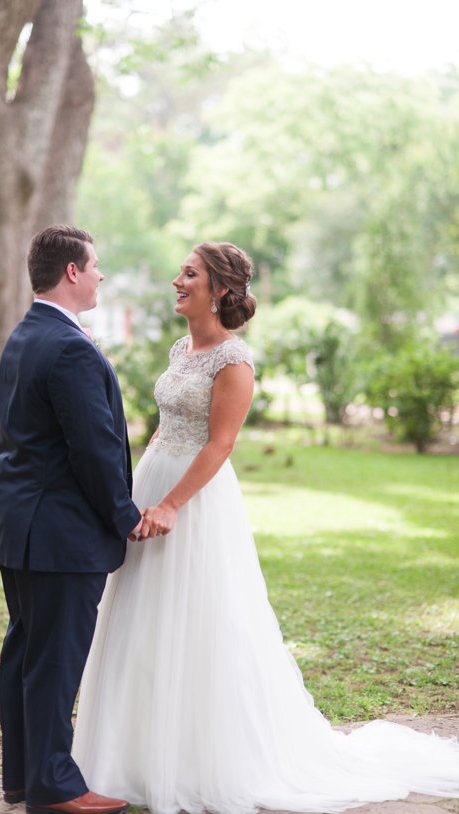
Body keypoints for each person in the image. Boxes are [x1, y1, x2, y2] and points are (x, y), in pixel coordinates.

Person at [72, 242, 459, 813]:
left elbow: (221, 444)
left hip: (195, 499)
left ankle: (199, 758)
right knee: (139, 615)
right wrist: (138, 492)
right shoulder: (182, 348)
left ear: (219, 290)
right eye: (181, 271)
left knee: (198, 619)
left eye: (190, 274)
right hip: (152, 485)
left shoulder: (234, 361)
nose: (177, 280)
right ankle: (128, 754)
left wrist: (173, 504)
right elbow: (165, 425)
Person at [0, 226, 152, 814]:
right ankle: (55, 788)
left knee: (27, 651)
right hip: (61, 533)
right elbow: (94, 447)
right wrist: (124, 515)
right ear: (73, 272)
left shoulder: (24, 335)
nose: (102, 274)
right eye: (97, 265)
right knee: (53, 659)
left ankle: (22, 778)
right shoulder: (70, 347)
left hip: (19, 526)